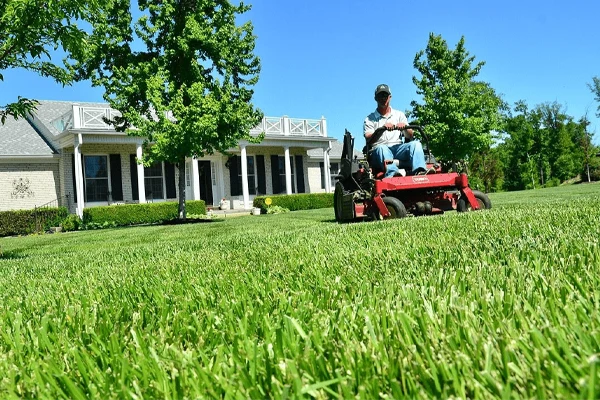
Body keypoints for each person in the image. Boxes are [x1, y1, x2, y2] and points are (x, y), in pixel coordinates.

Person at [363, 84, 433, 177]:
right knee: (381, 148)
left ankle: (420, 171)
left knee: (416, 144)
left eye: (385, 95)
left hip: (398, 149)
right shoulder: (369, 119)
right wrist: (382, 129)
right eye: (380, 96)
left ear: (390, 97)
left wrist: (405, 128)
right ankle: (393, 173)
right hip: (379, 152)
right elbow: (369, 139)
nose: (383, 98)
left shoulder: (399, 115)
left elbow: (410, 136)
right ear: (375, 98)